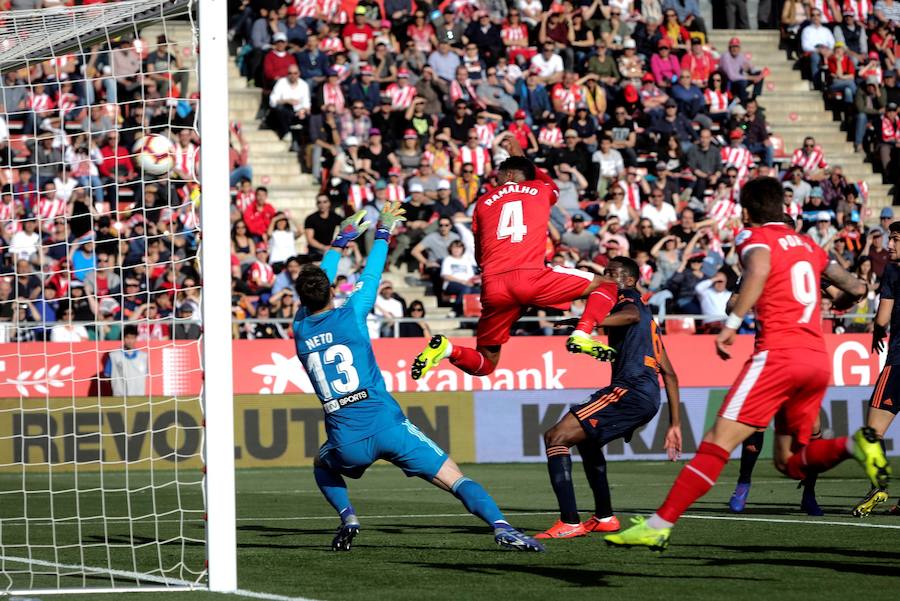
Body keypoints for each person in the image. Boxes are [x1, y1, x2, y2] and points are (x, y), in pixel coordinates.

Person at [605, 176, 889, 551]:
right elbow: (856, 288)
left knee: (716, 442)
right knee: (789, 462)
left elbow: (756, 271)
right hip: (817, 360)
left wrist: (732, 324)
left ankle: (658, 525)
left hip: (777, 356)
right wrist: (836, 306)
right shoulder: (808, 245)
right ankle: (855, 445)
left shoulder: (752, 238)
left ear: (746, 211)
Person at [292, 203, 544, 552]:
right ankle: (502, 527)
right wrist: (383, 232)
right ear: (332, 290)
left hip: (346, 438)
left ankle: (348, 516)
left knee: (322, 463)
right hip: (386, 422)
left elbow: (315, 286)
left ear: (300, 299)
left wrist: (339, 242)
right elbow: (372, 275)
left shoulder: (300, 328)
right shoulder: (352, 314)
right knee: (454, 477)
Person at [410, 144, 620, 382]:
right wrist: (524, 158)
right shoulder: (540, 188)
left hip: (494, 285)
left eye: (498, 174)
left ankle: (449, 350)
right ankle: (582, 334)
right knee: (608, 284)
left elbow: (480, 256)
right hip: (532, 277)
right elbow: (551, 185)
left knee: (486, 364)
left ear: (509, 175)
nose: (495, 179)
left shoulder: (482, 202)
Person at [535, 257, 682, 539]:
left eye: (611, 274)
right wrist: (675, 424)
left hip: (631, 390)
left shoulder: (627, 299)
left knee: (556, 437)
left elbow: (630, 315)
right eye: (604, 274)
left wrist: (587, 322)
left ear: (629, 280)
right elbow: (671, 375)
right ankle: (604, 517)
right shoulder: (650, 321)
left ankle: (569, 521)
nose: (605, 278)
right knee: (588, 445)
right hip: (646, 395)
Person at [855, 220, 900, 516]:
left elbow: (882, 319)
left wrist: (875, 333)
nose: (891, 245)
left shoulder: (893, 272)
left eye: (895, 239)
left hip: (898, 362)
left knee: (870, 432)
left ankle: (879, 486)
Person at [103, 324, 148, 396]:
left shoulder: (143, 356)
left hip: (138, 398)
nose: (130, 341)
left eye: (132, 338)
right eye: (127, 337)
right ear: (123, 338)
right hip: (120, 397)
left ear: (136, 338)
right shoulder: (113, 356)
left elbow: (146, 375)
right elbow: (107, 377)